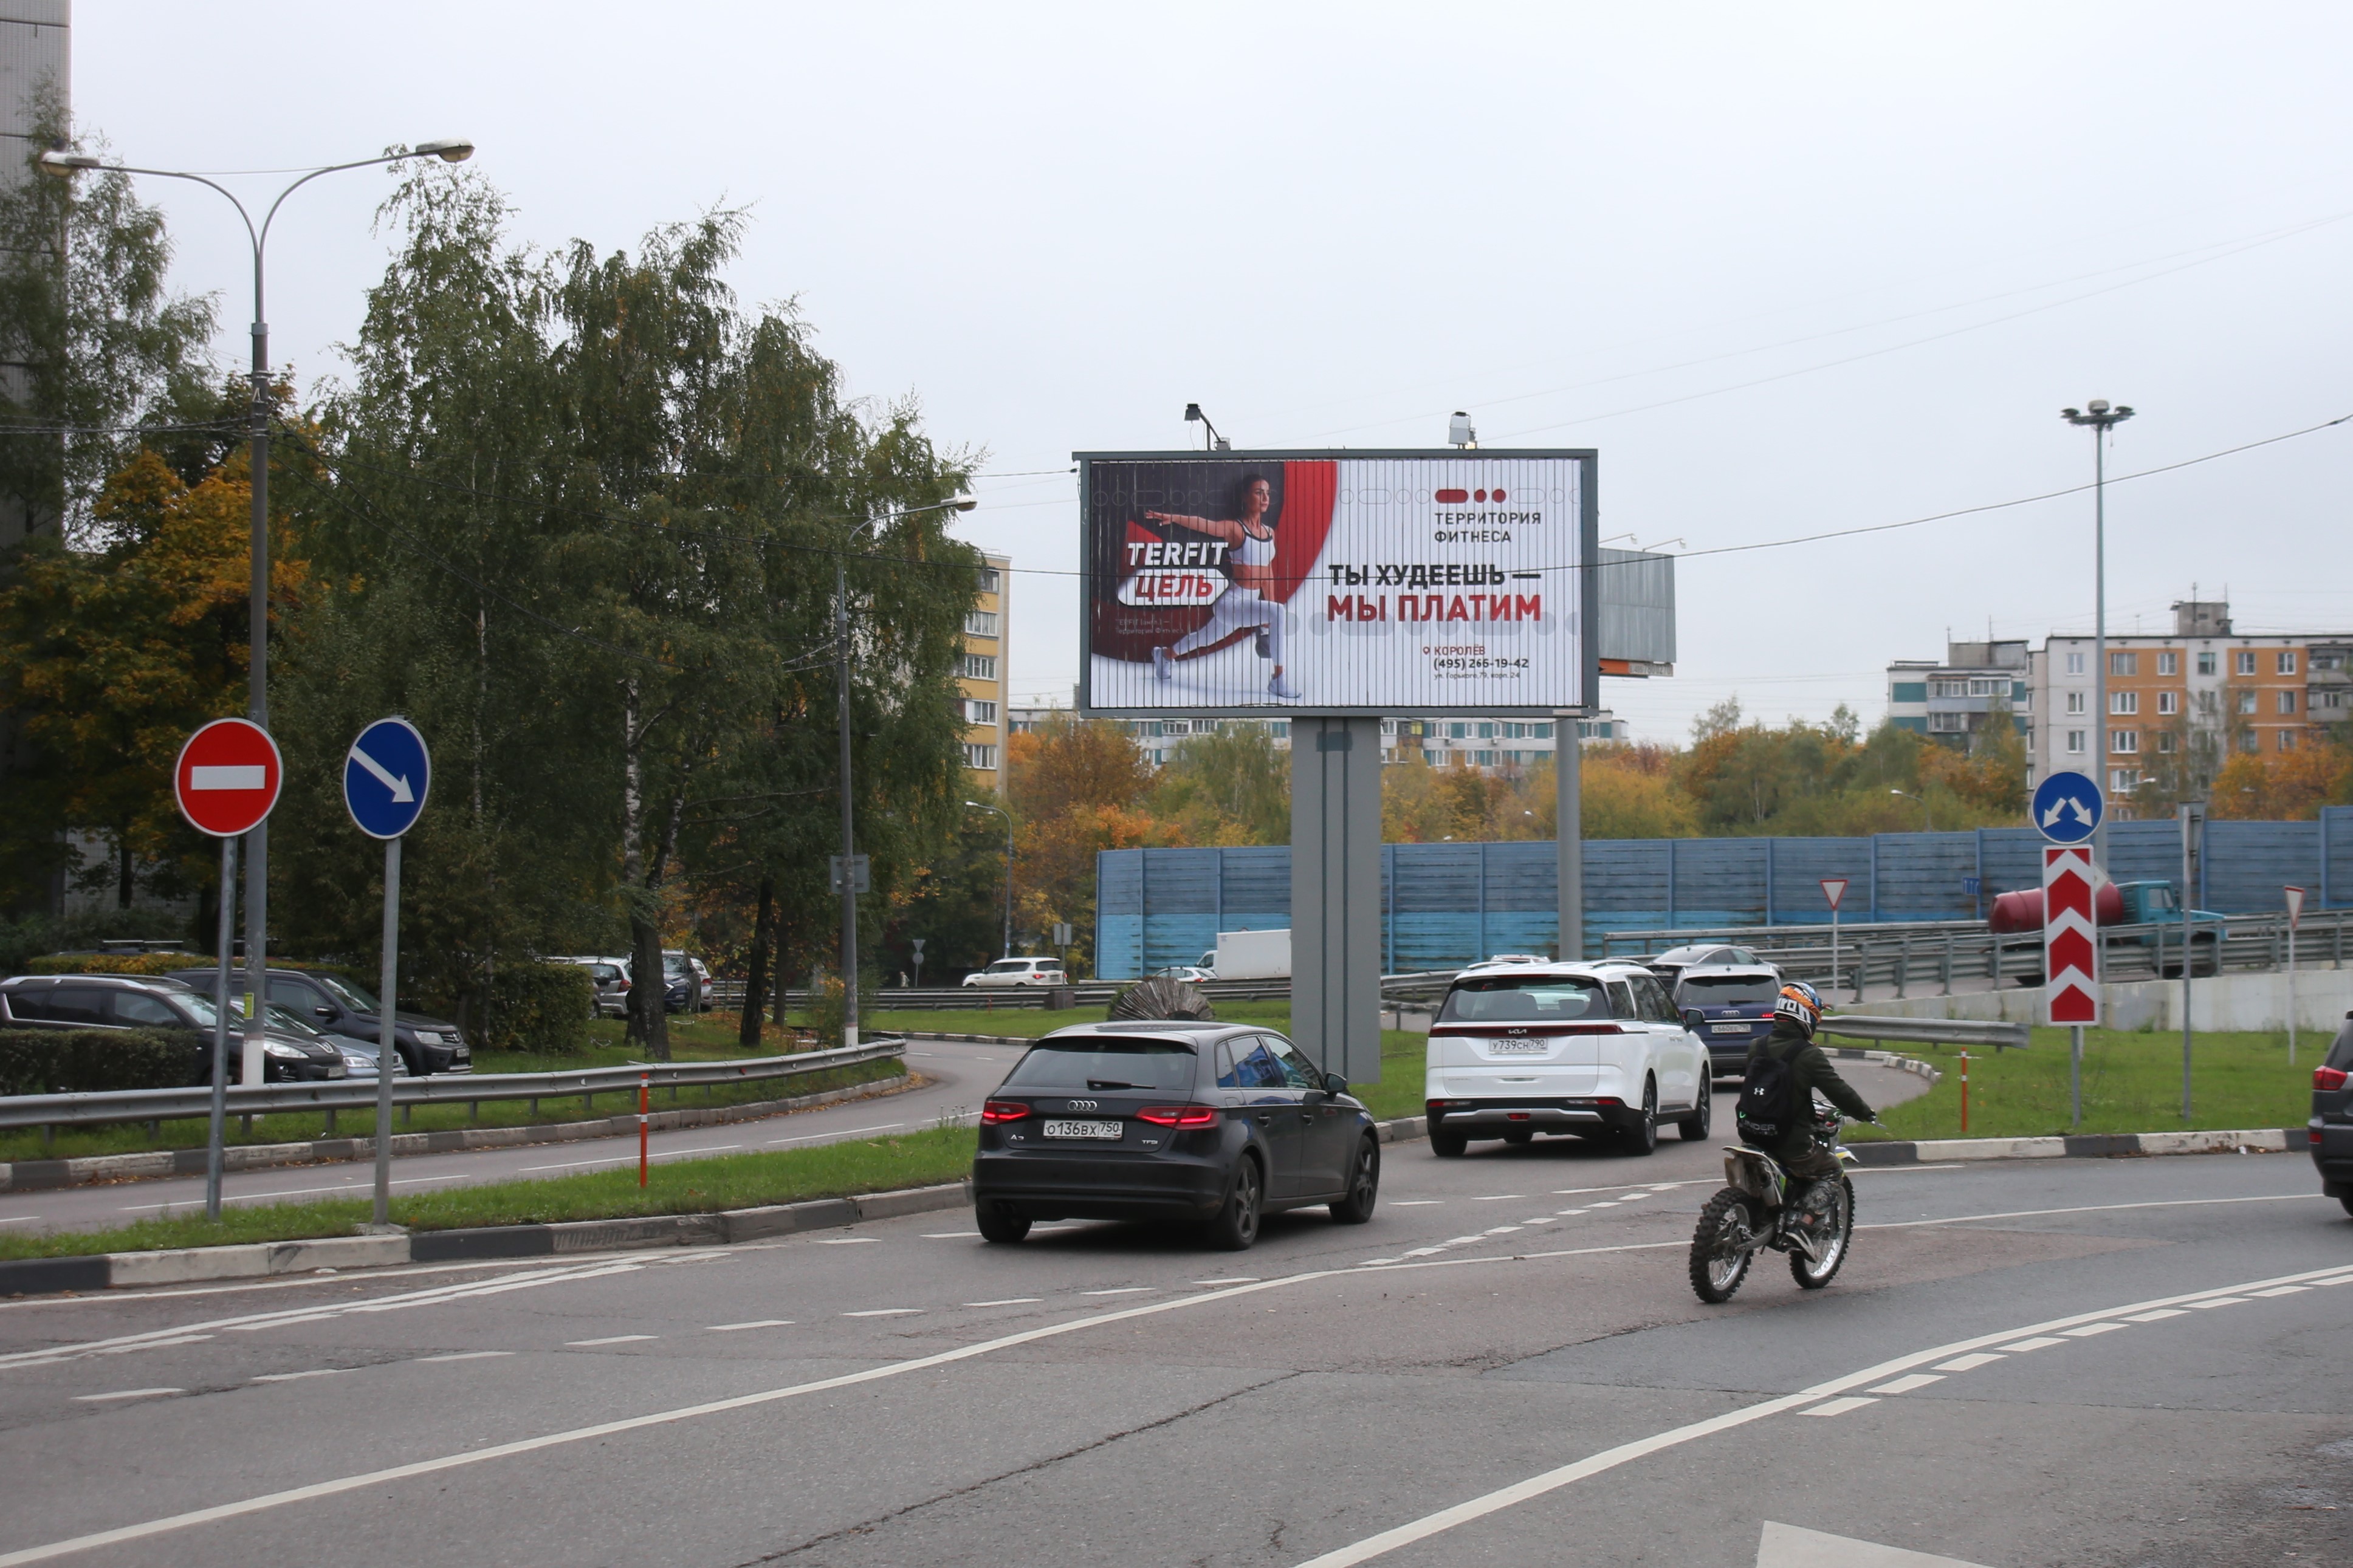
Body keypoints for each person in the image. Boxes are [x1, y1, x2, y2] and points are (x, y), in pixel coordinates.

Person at [1143, 474, 1299, 700]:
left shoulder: (1269, 533)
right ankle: (1279, 679)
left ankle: (1165, 655)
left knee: (1206, 638)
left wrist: (1266, 620)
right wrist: (1174, 518)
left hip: (1252, 602)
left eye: (1268, 493)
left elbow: (1268, 574)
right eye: (1258, 492)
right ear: (1246, 497)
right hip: (1233, 602)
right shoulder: (1235, 529)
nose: (1265, 498)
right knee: (1279, 611)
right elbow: (1204, 524)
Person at [1742, 979, 1875, 1190]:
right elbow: (1838, 1091)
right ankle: (1807, 1221)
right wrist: (1865, 1113)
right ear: (1806, 1014)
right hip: (1791, 1145)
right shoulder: (1808, 1055)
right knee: (1833, 1169)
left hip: (1752, 1136)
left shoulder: (1756, 1046)